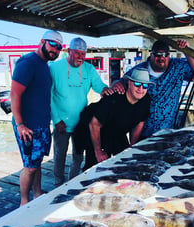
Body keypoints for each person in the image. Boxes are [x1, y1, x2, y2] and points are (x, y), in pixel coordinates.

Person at [50, 37, 113, 187]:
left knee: (78, 156)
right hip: (61, 123)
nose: (81, 57)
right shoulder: (54, 68)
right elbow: (48, 96)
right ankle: (58, 184)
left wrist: (106, 90)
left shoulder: (88, 68)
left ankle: (72, 183)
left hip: (81, 122)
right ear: (69, 51)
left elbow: (98, 85)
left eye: (83, 54)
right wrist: (56, 119)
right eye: (77, 53)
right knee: (59, 156)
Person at [11, 30, 63, 206]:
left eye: (59, 48)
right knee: (30, 166)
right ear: (42, 42)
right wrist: (20, 125)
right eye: (53, 45)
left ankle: (37, 193)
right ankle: (24, 202)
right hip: (27, 126)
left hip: (40, 125)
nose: (55, 50)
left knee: (37, 161)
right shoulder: (28, 62)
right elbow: (15, 94)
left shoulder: (44, 65)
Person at [112, 39, 194, 138]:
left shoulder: (178, 67)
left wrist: (186, 50)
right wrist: (116, 84)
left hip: (168, 133)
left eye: (165, 55)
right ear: (151, 54)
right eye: (157, 54)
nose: (161, 58)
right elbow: (121, 81)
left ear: (169, 55)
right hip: (141, 133)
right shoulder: (139, 70)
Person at [74, 68, 152, 170]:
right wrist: (98, 151)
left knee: (125, 161)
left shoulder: (145, 99)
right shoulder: (113, 99)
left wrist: (132, 146)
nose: (141, 89)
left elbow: (140, 122)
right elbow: (94, 124)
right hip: (95, 131)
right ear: (129, 82)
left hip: (117, 132)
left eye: (145, 85)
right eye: (137, 84)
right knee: (95, 166)